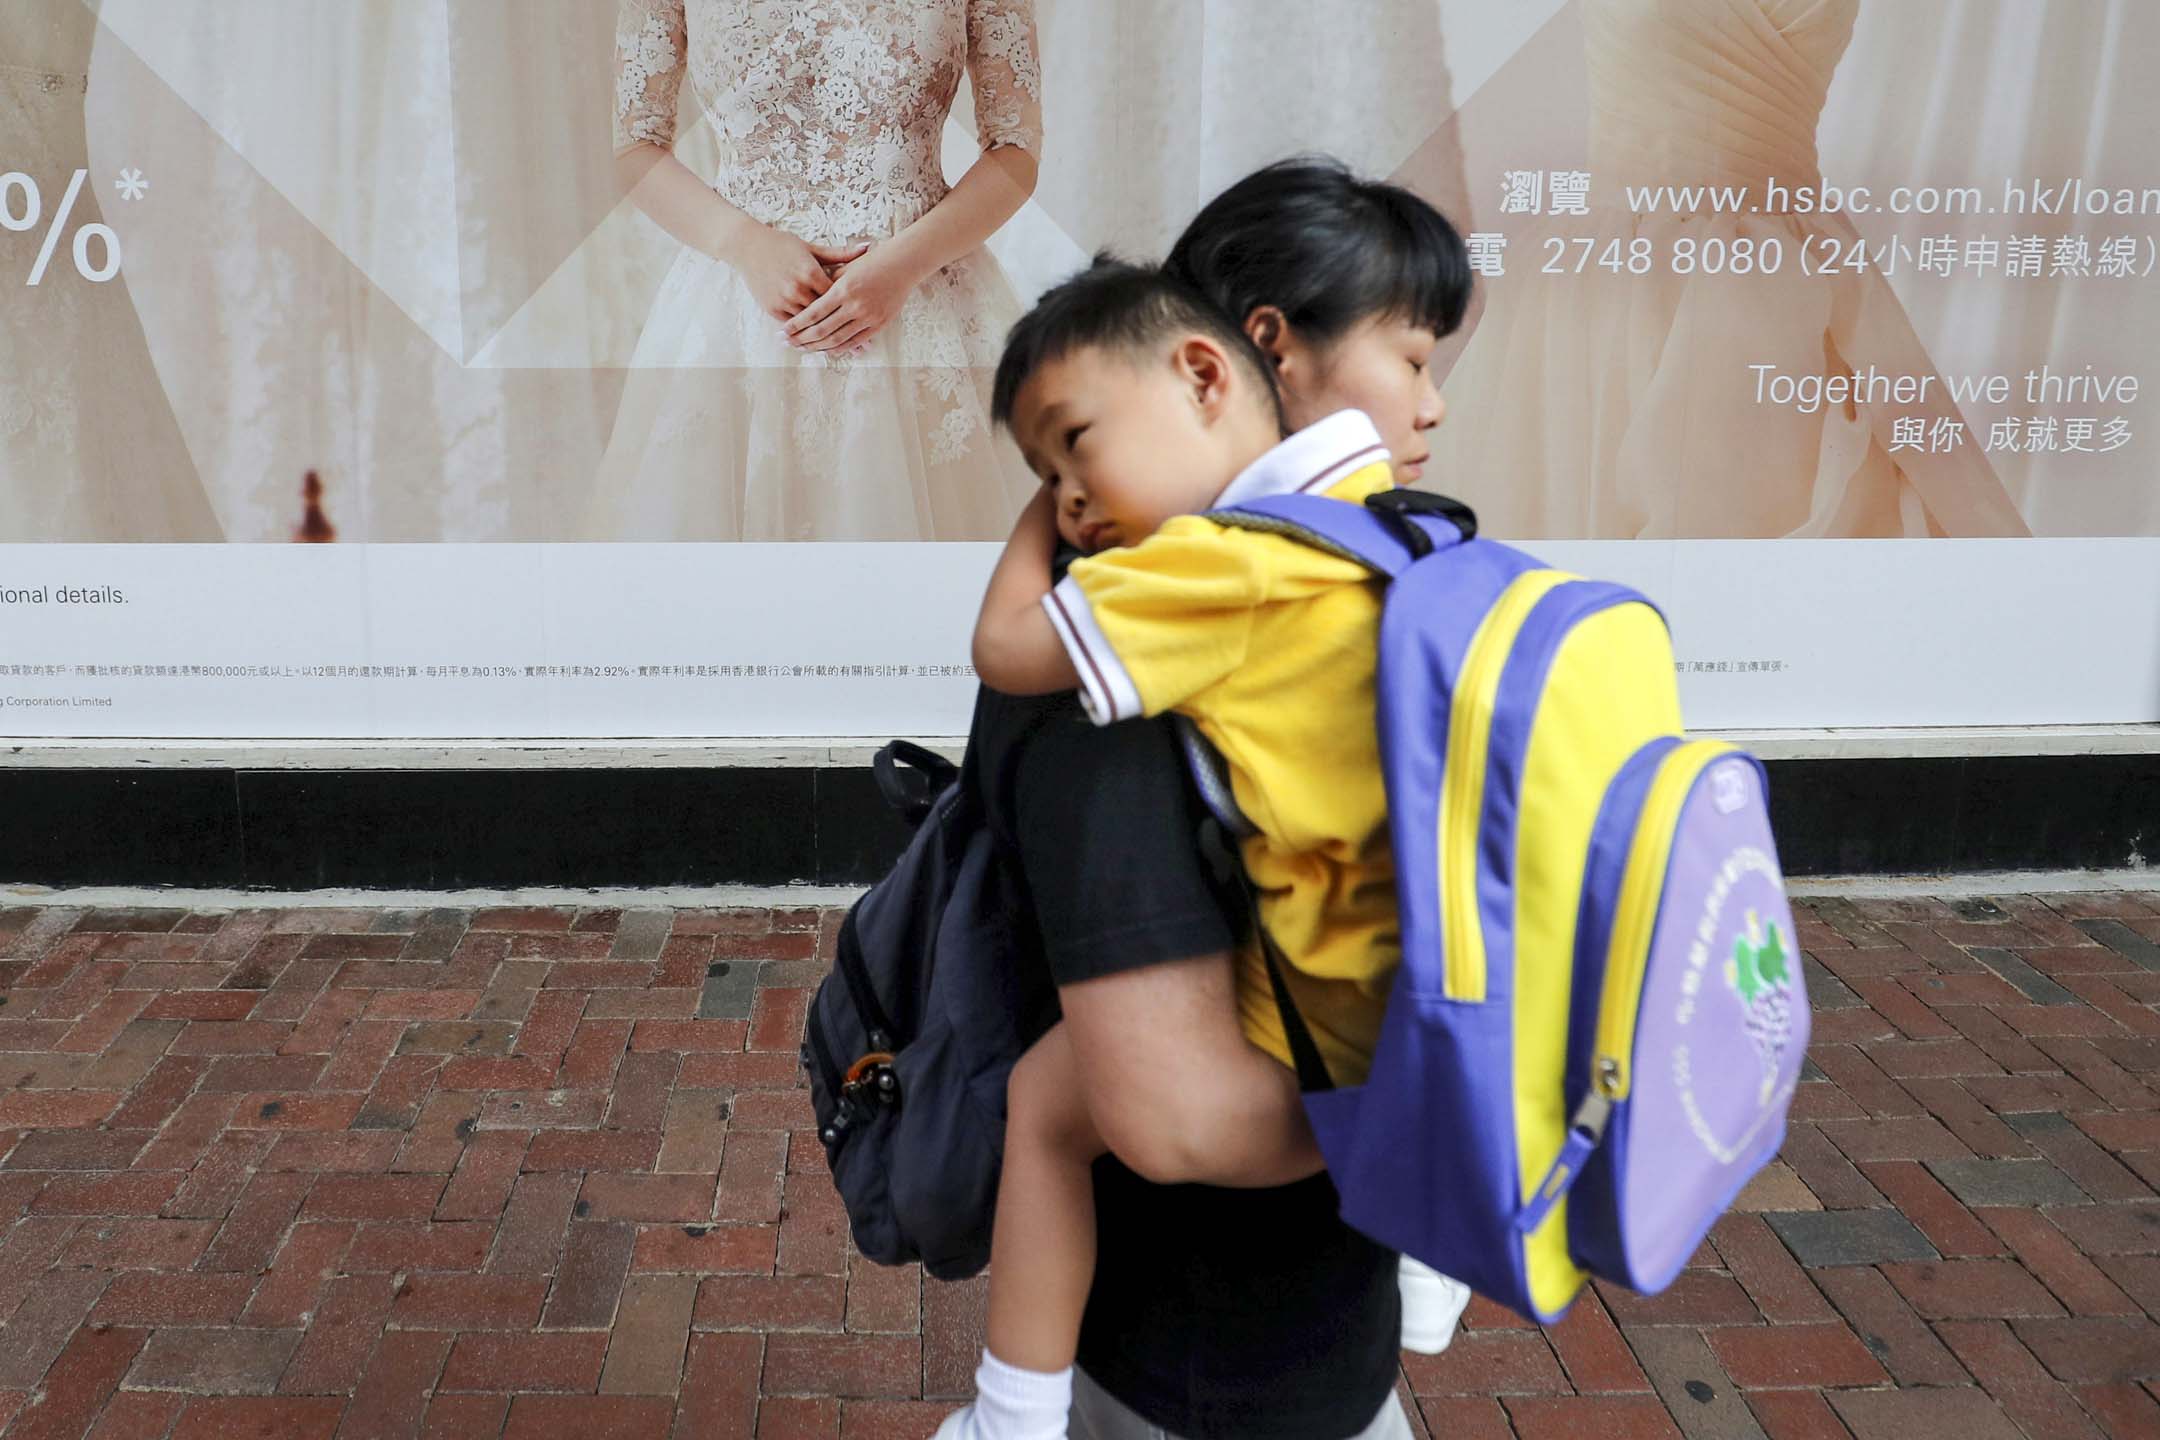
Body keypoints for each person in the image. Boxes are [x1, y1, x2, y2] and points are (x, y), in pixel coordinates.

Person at [589, 0, 1043, 541]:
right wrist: (744, 244)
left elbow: (1016, 148)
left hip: (927, 302)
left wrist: (904, 263)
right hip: (742, 308)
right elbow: (637, 144)